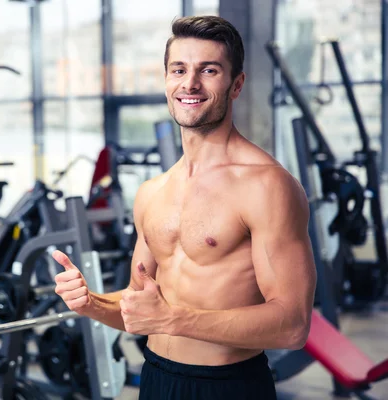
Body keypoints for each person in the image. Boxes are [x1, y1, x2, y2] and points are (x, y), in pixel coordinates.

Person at [52, 15, 317, 400]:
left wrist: (174, 319)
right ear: (166, 81)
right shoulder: (151, 192)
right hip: (158, 378)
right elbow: (139, 310)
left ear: (236, 84)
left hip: (229, 386)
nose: (190, 83)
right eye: (179, 69)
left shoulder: (267, 186)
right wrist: (90, 302)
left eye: (208, 70)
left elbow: (293, 325)